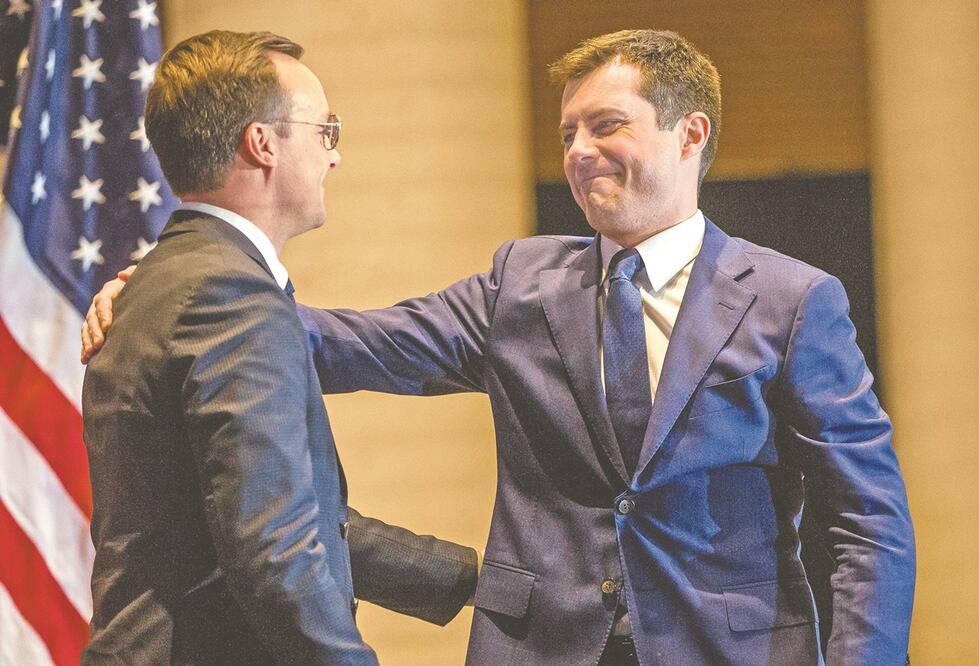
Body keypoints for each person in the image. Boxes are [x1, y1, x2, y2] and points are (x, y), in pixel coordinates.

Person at [83, 29, 915, 665]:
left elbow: (867, 524)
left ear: (689, 133)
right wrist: (166, 299)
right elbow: (353, 343)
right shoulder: (522, 281)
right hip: (537, 646)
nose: (579, 151)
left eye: (606, 125)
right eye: (567, 133)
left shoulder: (792, 300)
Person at [80, 30, 476, 665]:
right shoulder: (229, 291)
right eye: (325, 131)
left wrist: (481, 581)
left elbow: (266, 519)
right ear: (262, 143)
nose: (334, 156)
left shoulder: (163, 281)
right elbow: (274, 549)